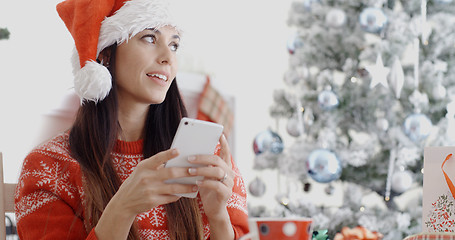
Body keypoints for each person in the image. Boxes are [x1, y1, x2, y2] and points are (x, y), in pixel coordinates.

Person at [14, 0, 249, 239]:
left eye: (174, 44)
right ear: (105, 54)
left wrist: (219, 216)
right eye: (149, 38)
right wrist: (123, 207)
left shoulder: (209, 159)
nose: (168, 57)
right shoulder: (47, 167)